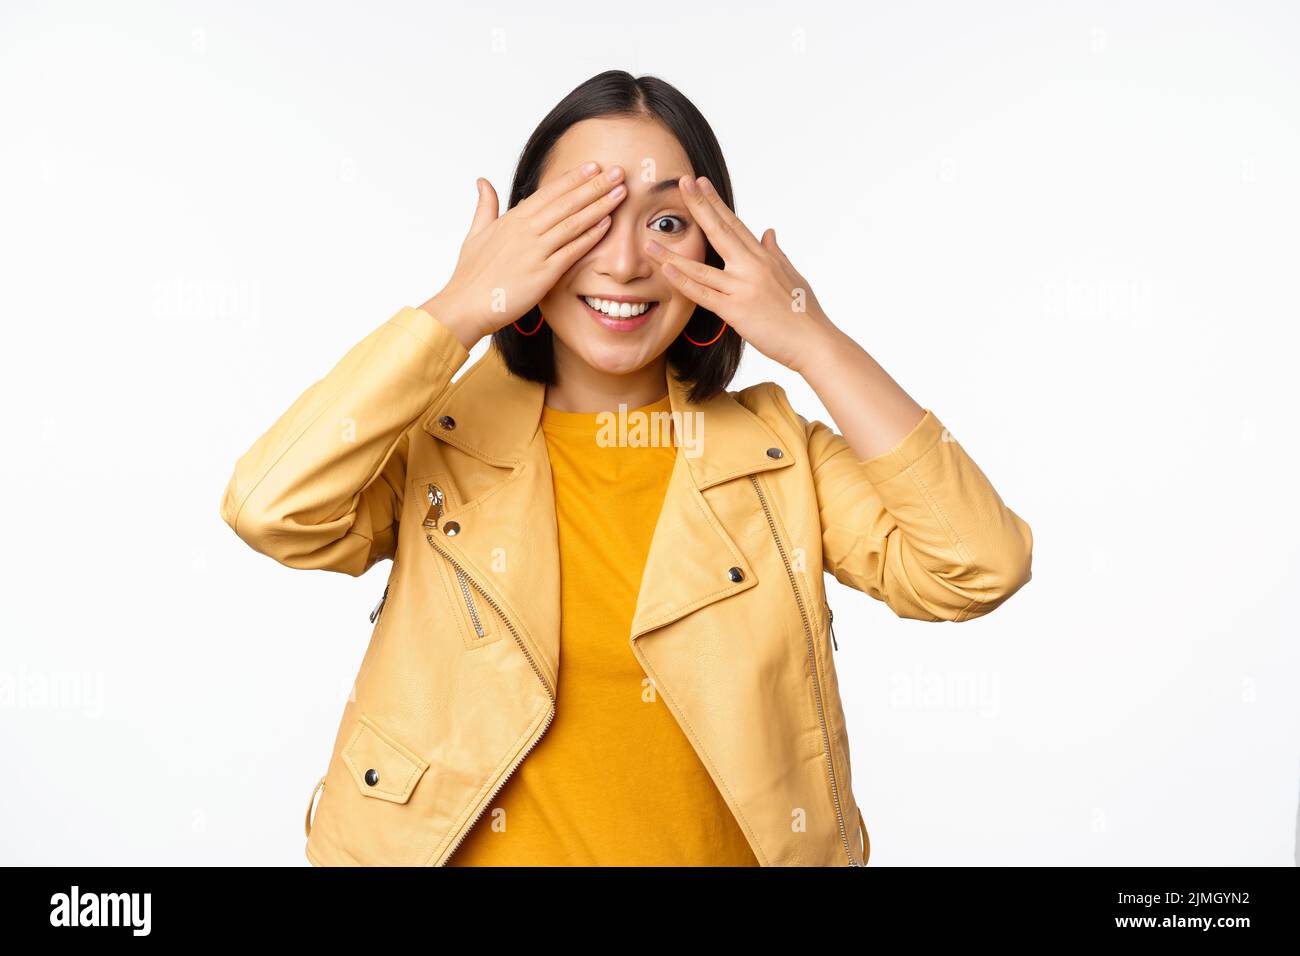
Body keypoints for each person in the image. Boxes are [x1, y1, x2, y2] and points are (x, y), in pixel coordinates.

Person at [219, 70, 1034, 867]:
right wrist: (462, 306)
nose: (623, 262)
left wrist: (811, 337)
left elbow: (978, 566)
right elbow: (271, 507)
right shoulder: (438, 445)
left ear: (717, 245)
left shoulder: (780, 461)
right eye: (584, 214)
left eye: (668, 223)